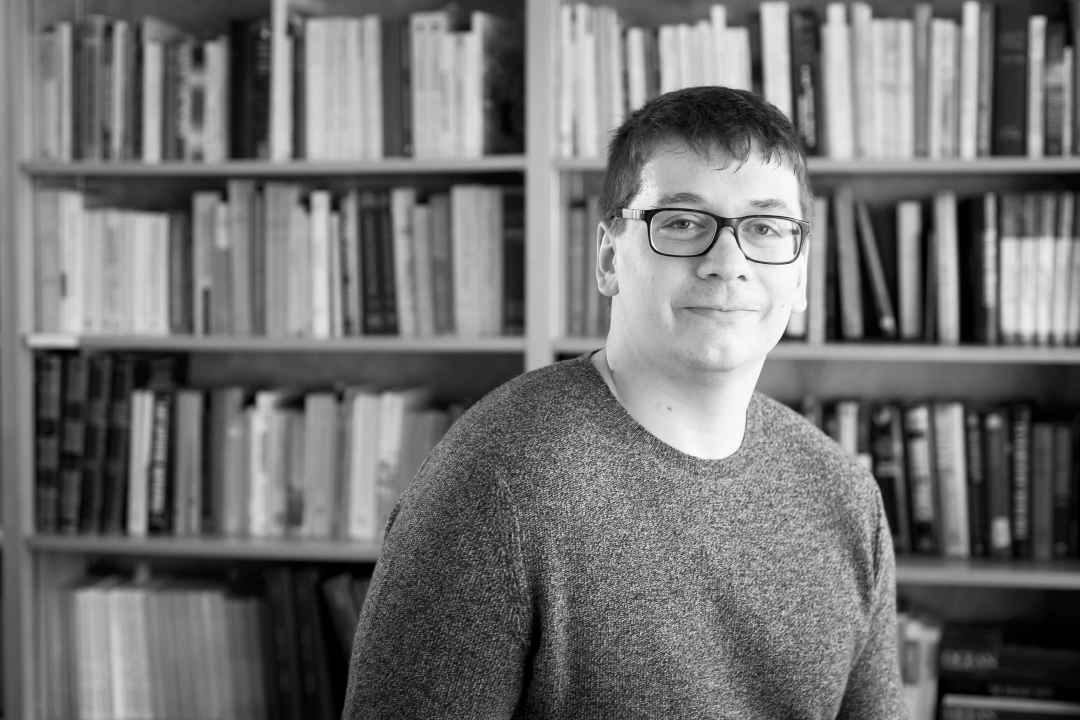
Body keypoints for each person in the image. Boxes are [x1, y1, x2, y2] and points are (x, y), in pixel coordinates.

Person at [342, 86, 905, 719]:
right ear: (610, 258)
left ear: (799, 276)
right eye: (683, 223)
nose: (728, 263)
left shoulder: (846, 496)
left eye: (766, 228)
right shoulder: (493, 488)